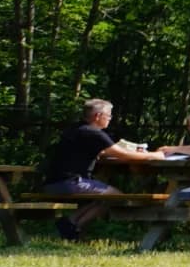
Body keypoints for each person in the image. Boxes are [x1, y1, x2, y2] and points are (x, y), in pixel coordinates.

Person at [42, 98, 163, 240]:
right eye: (109, 115)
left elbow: (103, 152)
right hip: (70, 182)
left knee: (101, 197)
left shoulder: (75, 128)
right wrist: (155, 155)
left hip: (52, 182)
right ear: (97, 116)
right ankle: (72, 225)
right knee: (115, 196)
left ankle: (71, 224)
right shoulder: (94, 133)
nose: (110, 118)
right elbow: (123, 154)